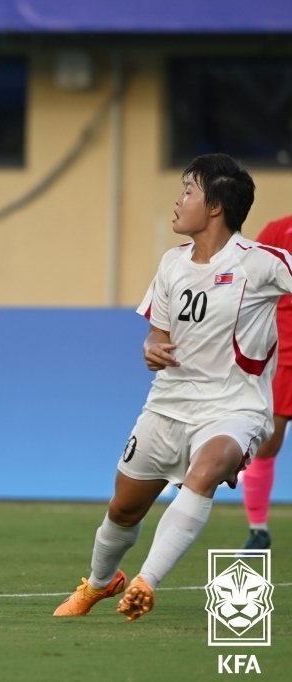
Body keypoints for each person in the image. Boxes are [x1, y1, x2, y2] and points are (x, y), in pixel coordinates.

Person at [52, 153, 291, 621]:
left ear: (216, 207)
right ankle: (101, 583)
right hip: (167, 407)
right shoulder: (172, 264)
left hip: (234, 408)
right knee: (123, 510)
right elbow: (158, 334)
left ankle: (146, 582)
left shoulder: (262, 263)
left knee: (204, 473)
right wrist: (151, 346)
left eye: (188, 191)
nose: (178, 200)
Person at [240, 214, 292, 550]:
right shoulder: (279, 230)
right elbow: (248, 281)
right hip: (283, 352)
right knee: (267, 441)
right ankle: (257, 529)